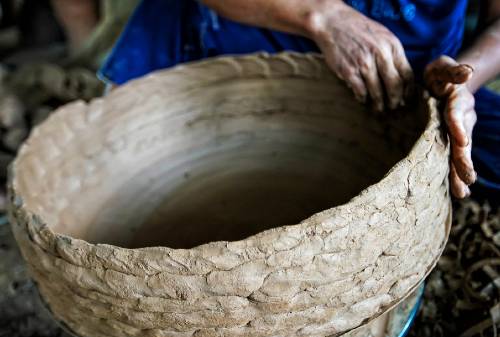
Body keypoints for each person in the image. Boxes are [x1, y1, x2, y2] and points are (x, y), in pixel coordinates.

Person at [98, 0, 500, 201]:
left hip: (414, 72)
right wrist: (322, 16)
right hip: (264, 23)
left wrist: (463, 80)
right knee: (122, 167)